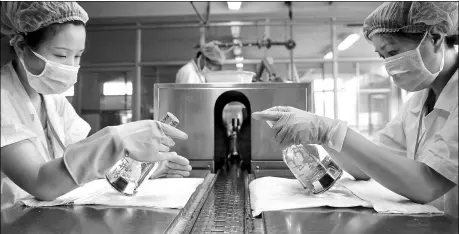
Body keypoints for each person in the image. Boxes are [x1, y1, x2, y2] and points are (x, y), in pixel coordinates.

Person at [252, 1, 458, 217]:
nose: (389, 64)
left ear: (435, 37)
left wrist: (329, 130)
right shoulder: (419, 102)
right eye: (383, 56)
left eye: (393, 51)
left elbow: (427, 185)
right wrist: (322, 134)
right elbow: (364, 168)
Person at [0, 2, 192, 210]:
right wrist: (115, 140)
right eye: (61, 55)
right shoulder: (4, 98)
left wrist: (140, 169)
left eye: (78, 55)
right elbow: (41, 182)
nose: (71, 66)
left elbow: (85, 168)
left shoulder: (53, 100)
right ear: (20, 45)